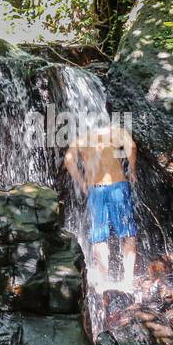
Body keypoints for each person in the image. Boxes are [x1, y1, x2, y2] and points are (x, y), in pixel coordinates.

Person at [64, 123, 139, 290]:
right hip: (118, 186)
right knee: (128, 233)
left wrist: (81, 182)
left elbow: (68, 161)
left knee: (99, 237)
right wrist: (132, 169)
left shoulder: (80, 139)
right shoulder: (116, 132)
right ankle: (128, 280)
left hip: (96, 189)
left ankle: (104, 280)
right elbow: (132, 146)